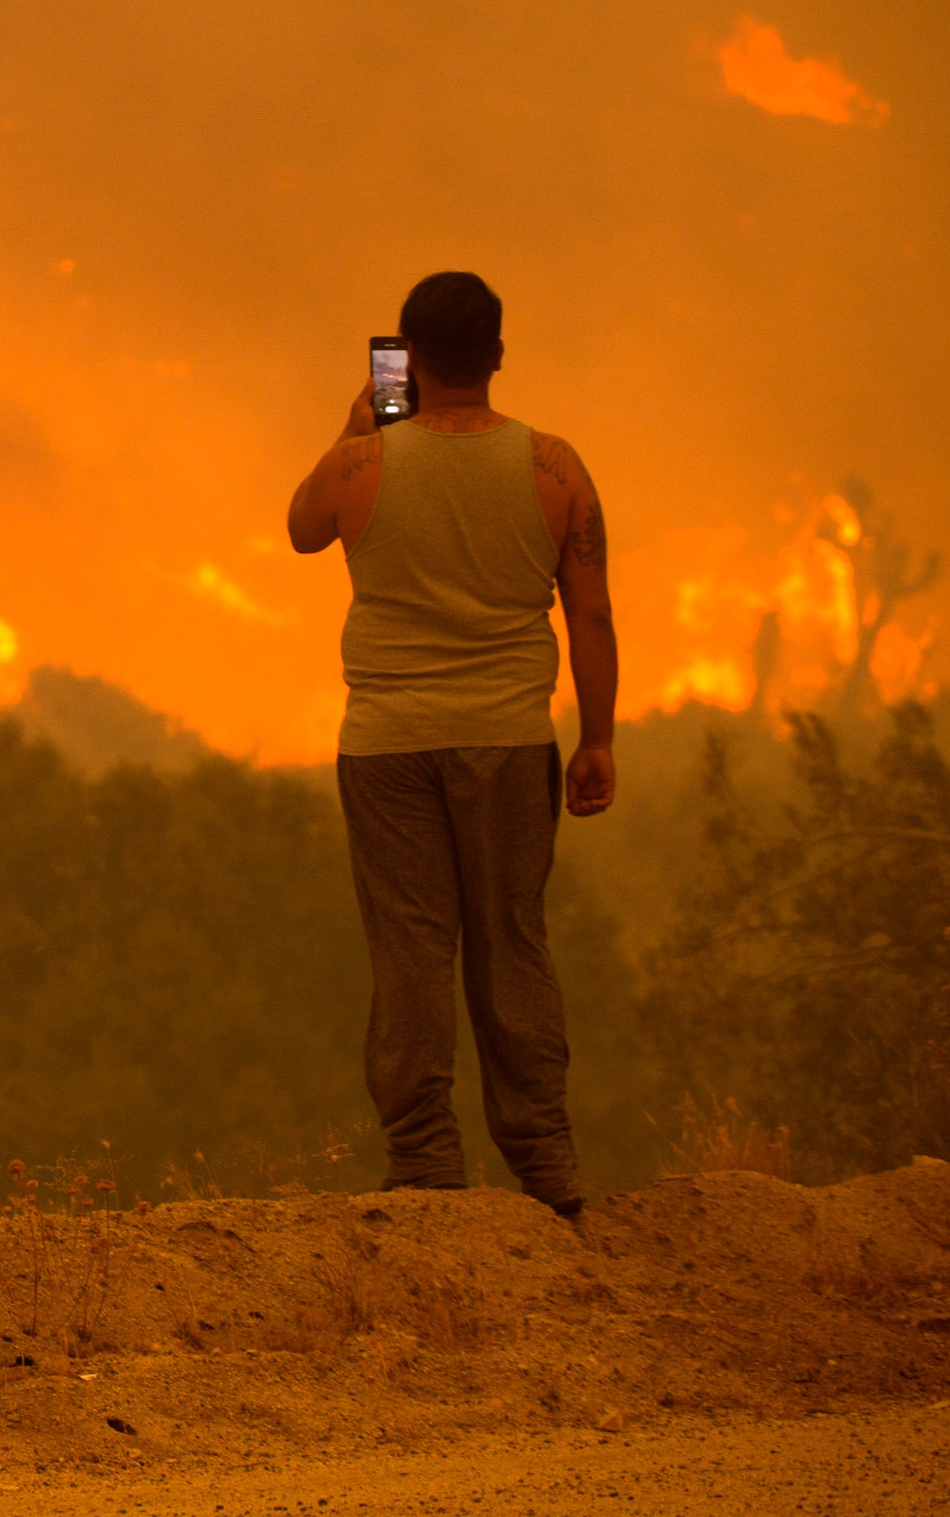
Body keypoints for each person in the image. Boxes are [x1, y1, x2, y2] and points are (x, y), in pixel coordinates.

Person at [286, 271, 615, 1219]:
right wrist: (595, 738)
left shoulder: (361, 464)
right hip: (511, 739)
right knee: (511, 942)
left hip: (388, 745)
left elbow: (302, 532)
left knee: (411, 950)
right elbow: (588, 609)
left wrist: (361, 425)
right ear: (500, 355)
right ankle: (546, 1164)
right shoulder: (555, 468)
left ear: (410, 359)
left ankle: (426, 1161)